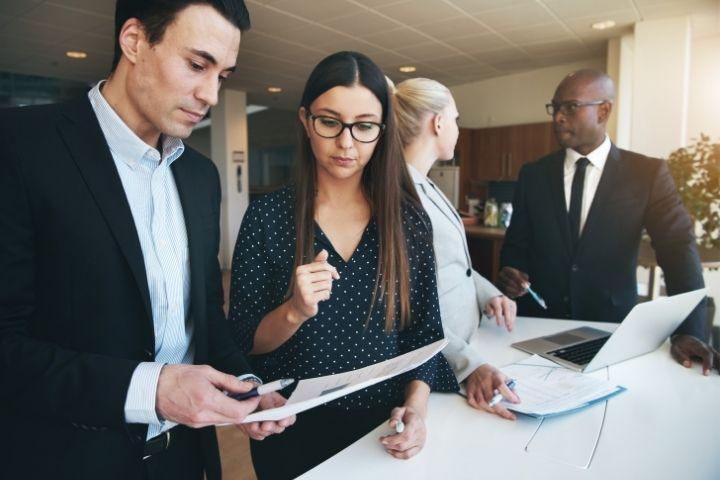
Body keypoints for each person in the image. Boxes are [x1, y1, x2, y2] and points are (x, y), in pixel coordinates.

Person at [0, 2, 294, 479]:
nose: (211, 94)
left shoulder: (200, 176)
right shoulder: (19, 147)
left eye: (222, 75)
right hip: (67, 458)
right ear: (134, 40)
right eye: (197, 65)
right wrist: (151, 389)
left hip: (184, 458)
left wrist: (247, 386)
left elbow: (204, 319)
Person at [229, 51, 459, 479]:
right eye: (330, 122)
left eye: (364, 126)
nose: (347, 143)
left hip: (382, 431)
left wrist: (417, 408)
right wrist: (293, 311)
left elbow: (425, 335)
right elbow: (243, 341)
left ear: (383, 130)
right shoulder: (267, 218)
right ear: (305, 120)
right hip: (291, 427)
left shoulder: (407, 220)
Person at [498, 69, 719, 374]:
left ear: (604, 110)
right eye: (555, 108)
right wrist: (509, 274)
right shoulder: (533, 174)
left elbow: (677, 250)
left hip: (611, 330)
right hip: (536, 327)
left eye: (570, 107)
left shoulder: (646, 174)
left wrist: (691, 330)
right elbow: (515, 245)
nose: (558, 117)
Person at [391, 77, 521, 419]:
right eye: (456, 119)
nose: (458, 129)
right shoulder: (401, 196)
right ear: (438, 122)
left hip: (466, 348)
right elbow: (406, 306)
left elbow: (453, 265)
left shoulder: (425, 183)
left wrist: (488, 294)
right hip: (440, 365)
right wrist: (469, 365)